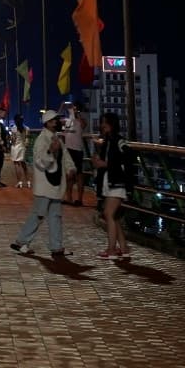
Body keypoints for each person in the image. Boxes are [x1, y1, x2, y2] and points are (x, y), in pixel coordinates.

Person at [11, 109, 67, 257]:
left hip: (52, 183)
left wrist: (71, 167)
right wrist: (50, 151)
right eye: (54, 120)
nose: (57, 122)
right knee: (39, 214)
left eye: (56, 119)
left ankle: (56, 246)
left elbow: (64, 156)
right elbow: (41, 160)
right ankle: (22, 241)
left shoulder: (55, 138)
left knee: (53, 215)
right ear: (47, 123)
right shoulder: (43, 139)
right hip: (46, 183)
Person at [91, 111, 131, 260]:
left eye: (105, 123)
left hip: (117, 182)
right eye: (102, 123)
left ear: (111, 124)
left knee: (109, 214)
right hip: (109, 181)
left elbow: (127, 158)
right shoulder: (107, 141)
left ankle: (111, 250)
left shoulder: (119, 141)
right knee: (113, 216)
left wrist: (105, 164)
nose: (102, 125)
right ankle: (124, 247)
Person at [61, 102, 89, 205]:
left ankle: (80, 199)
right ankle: (69, 198)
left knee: (78, 175)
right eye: (72, 108)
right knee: (69, 175)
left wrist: (78, 114)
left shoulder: (81, 120)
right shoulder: (67, 121)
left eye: (74, 108)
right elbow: (62, 132)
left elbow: (84, 125)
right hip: (68, 149)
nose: (72, 109)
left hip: (77, 150)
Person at [9, 115, 30, 189]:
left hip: (15, 147)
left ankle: (19, 182)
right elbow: (27, 140)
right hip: (23, 147)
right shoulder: (27, 128)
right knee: (24, 165)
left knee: (17, 164)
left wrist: (10, 139)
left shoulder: (13, 128)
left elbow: (13, 140)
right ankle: (28, 182)